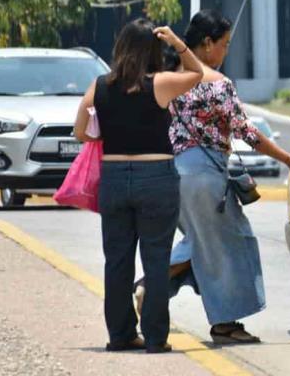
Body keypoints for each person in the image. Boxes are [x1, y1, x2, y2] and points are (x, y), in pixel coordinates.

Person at [134, 9, 290, 344]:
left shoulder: (165, 78)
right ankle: (198, 309)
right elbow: (247, 132)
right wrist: (288, 159)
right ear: (206, 43)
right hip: (205, 176)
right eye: (225, 44)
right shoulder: (216, 83)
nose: (227, 51)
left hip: (172, 174)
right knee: (233, 242)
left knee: (204, 243)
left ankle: (161, 290)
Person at [74, 18, 203, 353]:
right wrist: (177, 42)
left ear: (121, 47)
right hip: (155, 176)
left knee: (116, 260)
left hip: (114, 177)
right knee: (156, 259)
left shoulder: (99, 86)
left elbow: (80, 131)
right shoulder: (160, 83)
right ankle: (156, 338)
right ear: (152, 51)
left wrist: (110, 135)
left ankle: (120, 335)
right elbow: (197, 72)